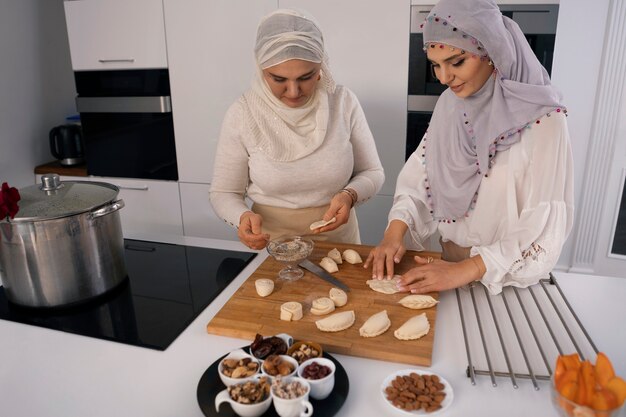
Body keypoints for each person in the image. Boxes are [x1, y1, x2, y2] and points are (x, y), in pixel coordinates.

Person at [364, 0, 574, 295]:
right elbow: (422, 176)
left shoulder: (545, 121)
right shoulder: (450, 106)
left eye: (457, 62)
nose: (443, 78)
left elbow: (543, 229)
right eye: (435, 65)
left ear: (491, 52)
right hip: (444, 269)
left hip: (504, 282)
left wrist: (469, 269)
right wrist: (394, 232)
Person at [210, 9, 384, 250]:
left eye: (306, 76)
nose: (293, 92)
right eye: (278, 79)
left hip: (338, 240)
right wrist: (241, 217)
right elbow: (223, 192)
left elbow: (373, 171)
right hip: (272, 245)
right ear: (261, 70)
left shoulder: (343, 102)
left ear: (321, 66)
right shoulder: (243, 113)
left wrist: (350, 195)